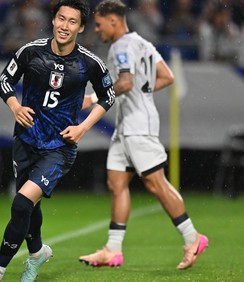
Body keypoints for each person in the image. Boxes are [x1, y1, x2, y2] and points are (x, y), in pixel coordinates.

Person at [0, 1, 115, 281]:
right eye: (61, 19)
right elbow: (5, 80)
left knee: (20, 204)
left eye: (72, 21)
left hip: (59, 148)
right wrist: (15, 106)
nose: (65, 26)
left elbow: (108, 96)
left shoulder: (89, 62)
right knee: (30, 206)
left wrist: (83, 128)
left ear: (81, 27)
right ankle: (38, 253)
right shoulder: (31, 52)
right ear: (53, 20)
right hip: (26, 141)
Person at [79, 0, 208, 270]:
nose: (98, 30)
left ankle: (192, 238)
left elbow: (125, 82)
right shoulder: (144, 44)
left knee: (155, 184)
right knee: (117, 183)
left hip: (138, 127)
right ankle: (112, 250)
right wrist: (142, 93)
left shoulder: (121, 46)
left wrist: (94, 97)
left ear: (112, 20)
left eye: (99, 24)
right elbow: (167, 76)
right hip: (127, 125)